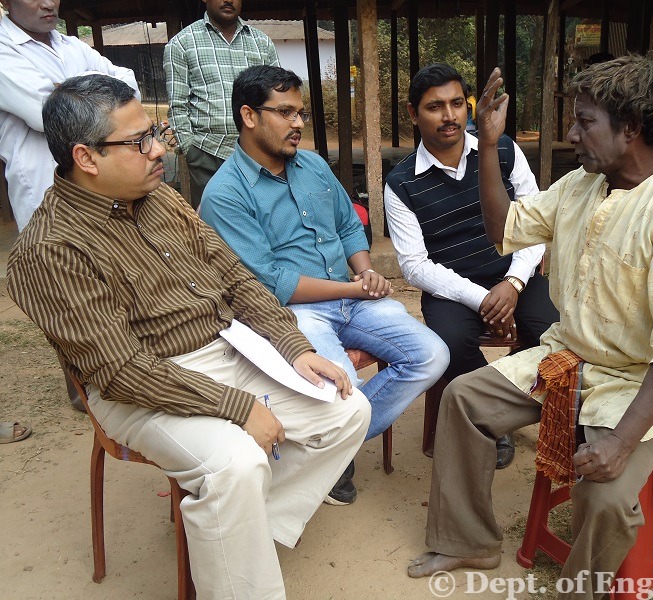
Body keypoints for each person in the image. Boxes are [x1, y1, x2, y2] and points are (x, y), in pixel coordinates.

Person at [8, 74, 370, 599]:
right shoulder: (50, 249)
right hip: (138, 386)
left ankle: (236, 532)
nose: (159, 150)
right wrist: (239, 407)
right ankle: (238, 568)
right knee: (236, 463)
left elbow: (237, 277)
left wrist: (294, 347)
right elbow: (122, 371)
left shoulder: (162, 198)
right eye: (139, 142)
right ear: (86, 158)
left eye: (155, 131)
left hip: (227, 347)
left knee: (346, 410)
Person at [407, 55, 653, 600]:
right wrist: (487, 144)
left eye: (585, 121)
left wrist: (621, 443)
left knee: (602, 496)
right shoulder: (582, 184)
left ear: (631, 128)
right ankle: (467, 540)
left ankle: (582, 590)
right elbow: (504, 224)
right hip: (566, 358)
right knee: (463, 399)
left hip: (638, 384)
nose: (572, 134)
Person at [200, 65, 449, 505]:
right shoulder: (225, 195)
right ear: (249, 116)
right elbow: (271, 285)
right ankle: (334, 443)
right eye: (285, 113)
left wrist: (365, 271)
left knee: (432, 355)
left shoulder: (313, 165)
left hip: (353, 297)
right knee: (338, 391)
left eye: (300, 114)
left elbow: (349, 224)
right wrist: (354, 289)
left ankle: (330, 448)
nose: (298, 124)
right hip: (292, 314)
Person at [384, 63, 558, 469]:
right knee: (448, 343)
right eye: (435, 107)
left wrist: (513, 283)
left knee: (556, 334)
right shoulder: (401, 182)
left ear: (469, 106)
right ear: (413, 113)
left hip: (516, 275)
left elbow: (536, 224)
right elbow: (415, 266)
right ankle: (494, 419)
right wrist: (484, 299)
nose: (449, 116)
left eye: (457, 104)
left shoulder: (504, 149)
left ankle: (511, 404)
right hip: (452, 289)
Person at [0, 0, 140, 413]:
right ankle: (78, 385)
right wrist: (90, 95)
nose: (48, 3)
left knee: (115, 273)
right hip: (43, 184)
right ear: (5, 1)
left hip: (99, 180)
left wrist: (66, 93)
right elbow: (47, 114)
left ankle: (121, 367)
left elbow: (126, 85)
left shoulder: (71, 46)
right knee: (62, 285)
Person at [164, 0, 280, 208]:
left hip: (259, 152)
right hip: (208, 154)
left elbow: (278, 99)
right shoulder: (182, 43)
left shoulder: (262, 43)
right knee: (216, 226)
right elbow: (177, 104)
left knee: (266, 217)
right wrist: (190, 150)